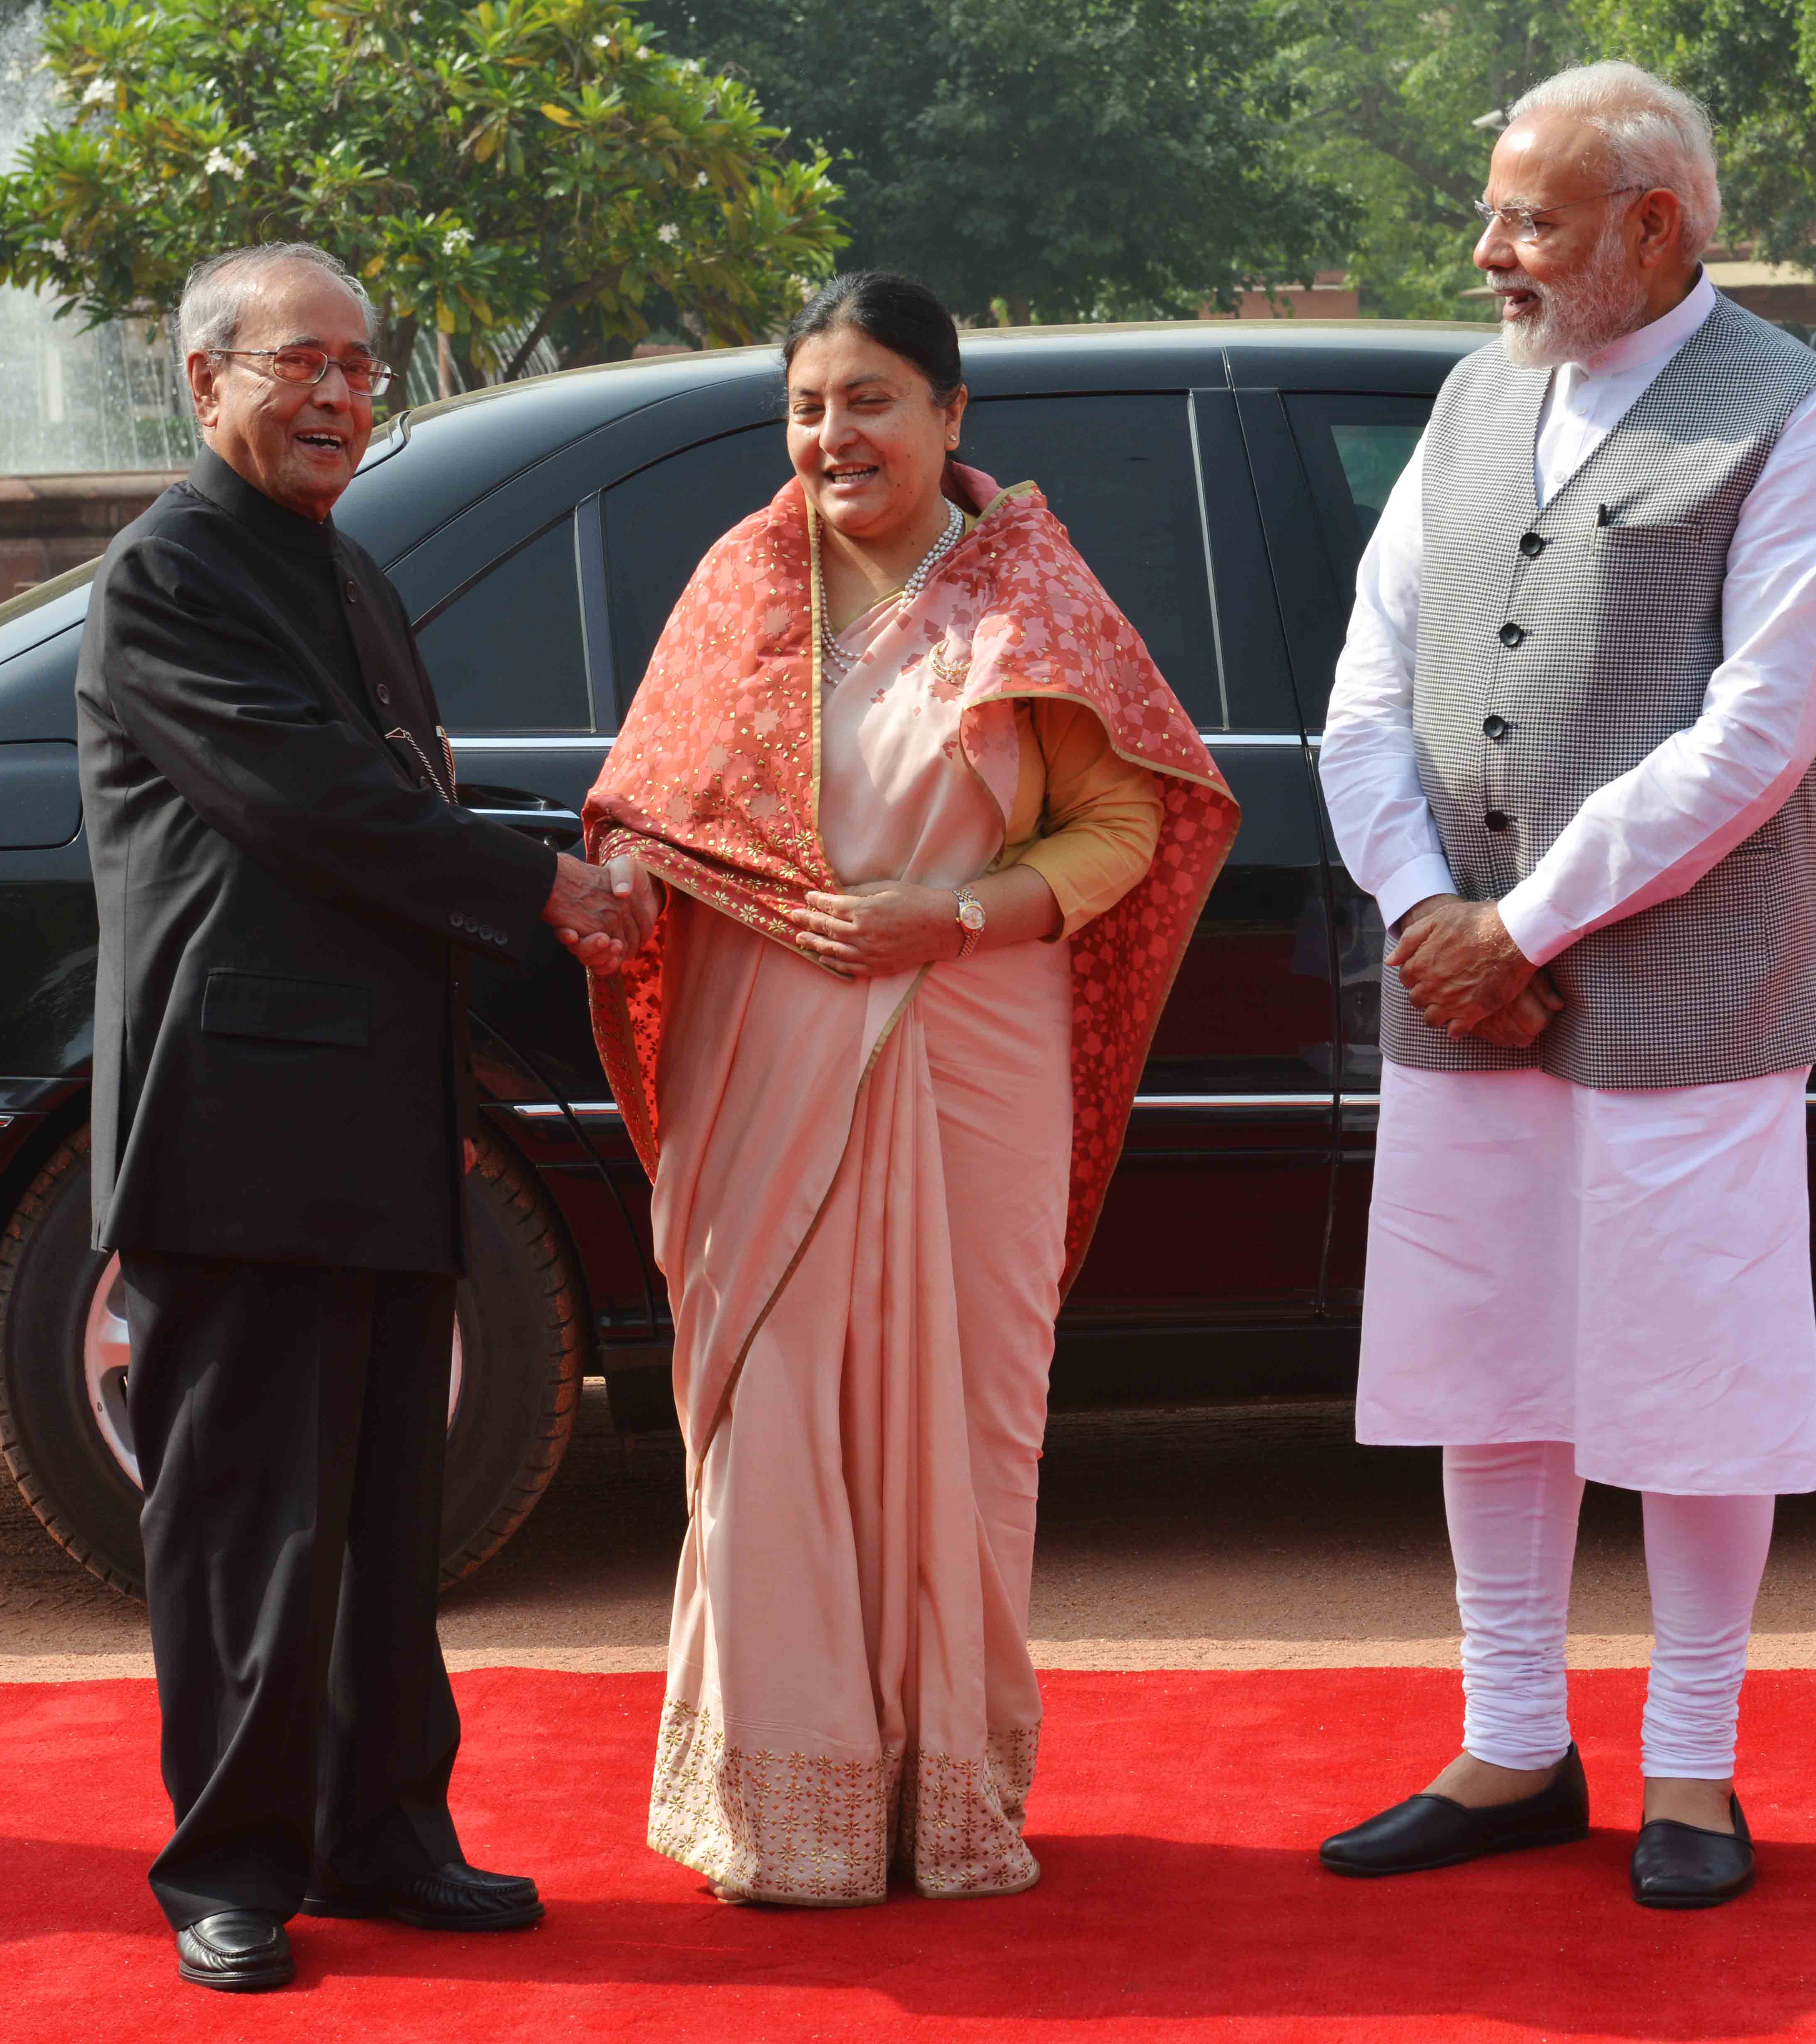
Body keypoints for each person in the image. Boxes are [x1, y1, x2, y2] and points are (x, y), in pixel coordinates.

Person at [579, 272, 1241, 1906]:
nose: (833, 433)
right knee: (772, 1415)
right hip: (765, 1062)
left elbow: (1126, 825)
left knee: (969, 1424)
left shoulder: (1029, 593)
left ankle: (944, 1801)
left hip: (973, 1047)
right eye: (807, 405)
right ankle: (784, 1818)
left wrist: (939, 917)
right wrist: (627, 875)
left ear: (952, 416)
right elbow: (652, 815)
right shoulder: (741, 588)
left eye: (870, 398)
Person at [1311, 63, 1816, 1909]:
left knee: (1692, 1385)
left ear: (1654, 226)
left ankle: (1695, 1771)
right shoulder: (1476, 400)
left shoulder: (1793, 419)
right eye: (1492, 214)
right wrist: (1422, 910)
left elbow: (1757, 736)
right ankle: (1509, 1745)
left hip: (1681, 1008)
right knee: (1495, 1364)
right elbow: (1364, 697)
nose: (1488, 254)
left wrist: (1517, 928)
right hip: (1458, 988)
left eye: (1530, 221)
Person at [75, 240, 643, 1992]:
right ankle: (231, 1867)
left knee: (388, 1515)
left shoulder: (342, 569)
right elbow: (311, 803)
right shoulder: (168, 575)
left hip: (381, 1120)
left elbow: (399, 790)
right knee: (247, 1520)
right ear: (204, 382)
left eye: (360, 366)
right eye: (297, 363)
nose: (337, 395)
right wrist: (543, 887)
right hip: (237, 1126)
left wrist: (612, 829)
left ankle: (387, 1834)